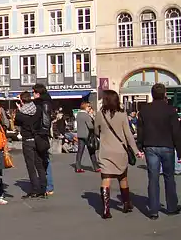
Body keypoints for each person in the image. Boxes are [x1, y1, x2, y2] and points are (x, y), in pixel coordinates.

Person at [94, 89, 142, 219]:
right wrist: (136, 151)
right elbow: (128, 135)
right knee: (123, 177)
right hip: (120, 151)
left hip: (105, 151)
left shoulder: (99, 114)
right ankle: (126, 204)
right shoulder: (122, 115)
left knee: (106, 179)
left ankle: (106, 209)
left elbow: (96, 131)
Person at [136, 83, 181, 220]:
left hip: (150, 145)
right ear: (164, 94)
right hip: (167, 145)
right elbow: (176, 131)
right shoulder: (170, 110)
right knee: (169, 177)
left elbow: (140, 129)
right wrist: (179, 150)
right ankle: (171, 207)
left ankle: (153, 210)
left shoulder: (144, 110)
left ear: (152, 94)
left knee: (153, 178)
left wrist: (140, 145)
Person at [15, 91, 47, 199]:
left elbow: (16, 123)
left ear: (21, 100)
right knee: (40, 164)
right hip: (38, 139)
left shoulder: (20, 114)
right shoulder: (38, 109)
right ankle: (43, 188)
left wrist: (19, 109)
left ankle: (35, 189)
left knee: (31, 166)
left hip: (27, 140)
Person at [33, 84, 54, 195]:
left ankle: (48, 186)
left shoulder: (43, 103)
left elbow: (46, 120)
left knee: (44, 159)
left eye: (33, 92)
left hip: (41, 134)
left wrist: (42, 131)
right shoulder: (45, 102)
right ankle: (46, 185)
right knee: (43, 159)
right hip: (42, 133)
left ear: (38, 93)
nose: (33, 94)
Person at [75, 101, 100, 173]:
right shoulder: (86, 115)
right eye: (88, 106)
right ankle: (96, 167)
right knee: (92, 151)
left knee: (80, 151)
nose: (90, 108)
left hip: (80, 135)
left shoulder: (78, 115)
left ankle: (78, 167)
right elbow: (91, 126)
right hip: (88, 136)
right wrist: (92, 118)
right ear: (85, 107)